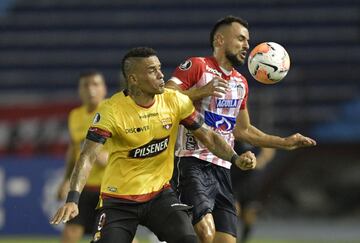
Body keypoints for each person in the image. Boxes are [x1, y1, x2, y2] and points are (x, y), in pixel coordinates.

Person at [50, 47, 257, 243]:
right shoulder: (111, 111)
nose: (161, 75)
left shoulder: (174, 100)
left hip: (159, 195)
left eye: (159, 68)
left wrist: (235, 158)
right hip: (119, 200)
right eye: (152, 70)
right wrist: (72, 198)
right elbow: (87, 156)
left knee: (188, 239)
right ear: (133, 79)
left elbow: (208, 136)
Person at [165, 15, 316, 243]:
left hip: (224, 170)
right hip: (191, 164)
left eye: (248, 40)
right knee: (205, 234)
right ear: (219, 39)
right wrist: (199, 92)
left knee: (226, 241)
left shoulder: (240, 82)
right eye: (241, 39)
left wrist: (284, 142)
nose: (247, 45)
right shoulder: (197, 66)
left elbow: (244, 131)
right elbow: (164, 97)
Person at [56, 71, 108, 243]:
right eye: (86, 85)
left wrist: (107, 157)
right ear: (79, 90)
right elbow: (73, 151)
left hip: (109, 189)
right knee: (70, 233)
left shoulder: (112, 110)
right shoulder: (75, 116)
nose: (91, 89)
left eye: (95, 84)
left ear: (104, 89)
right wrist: (66, 180)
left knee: (113, 236)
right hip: (84, 188)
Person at [231, 142, 276, 243]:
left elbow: (269, 147)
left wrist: (259, 162)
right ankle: (230, 238)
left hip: (252, 181)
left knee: (249, 215)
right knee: (233, 210)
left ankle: (244, 240)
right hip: (235, 179)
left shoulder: (260, 128)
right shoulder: (235, 130)